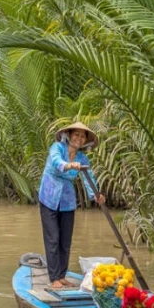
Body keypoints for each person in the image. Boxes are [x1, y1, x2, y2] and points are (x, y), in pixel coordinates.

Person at [37, 121, 106, 289]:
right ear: (68, 135)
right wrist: (69, 165)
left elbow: (88, 178)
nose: (79, 139)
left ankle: (61, 275)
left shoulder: (82, 158)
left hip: (67, 201)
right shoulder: (57, 148)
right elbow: (56, 162)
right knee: (53, 238)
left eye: (83, 137)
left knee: (65, 241)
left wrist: (96, 196)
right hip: (49, 197)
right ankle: (54, 277)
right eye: (76, 135)